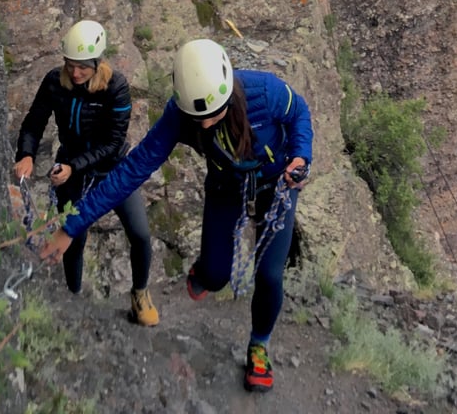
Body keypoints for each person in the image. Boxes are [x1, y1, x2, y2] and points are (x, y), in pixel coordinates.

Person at [40, 37, 313, 393]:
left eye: (213, 115)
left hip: (277, 184)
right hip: (226, 187)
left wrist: (300, 156)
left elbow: (299, 114)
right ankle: (207, 271)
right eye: (197, 118)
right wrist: (72, 226)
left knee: (270, 275)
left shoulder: (264, 91)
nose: (204, 126)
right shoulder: (178, 116)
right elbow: (130, 171)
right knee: (214, 277)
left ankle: (259, 345)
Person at [15, 19, 158, 326]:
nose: (75, 73)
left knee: (141, 235)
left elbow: (113, 143)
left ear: (97, 63)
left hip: (113, 170)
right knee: (74, 238)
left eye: (82, 67)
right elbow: (34, 121)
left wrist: (72, 166)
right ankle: (74, 297)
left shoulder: (115, 88)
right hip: (72, 168)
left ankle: (140, 294)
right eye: (70, 65)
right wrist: (26, 154)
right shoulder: (55, 81)